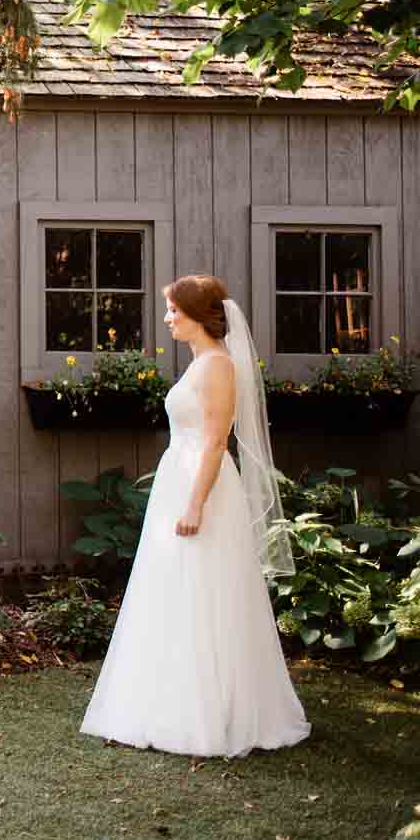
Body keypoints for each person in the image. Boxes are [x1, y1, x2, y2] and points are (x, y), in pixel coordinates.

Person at [80, 274, 310, 757]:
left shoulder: (218, 367)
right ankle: (166, 701)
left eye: (173, 312)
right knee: (174, 588)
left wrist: (194, 503)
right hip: (179, 479)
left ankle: (211, 714)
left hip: (201, 488)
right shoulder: (201, 364)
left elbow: (215, 440)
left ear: (198, 317)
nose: (167, 320)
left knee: (206, 590)